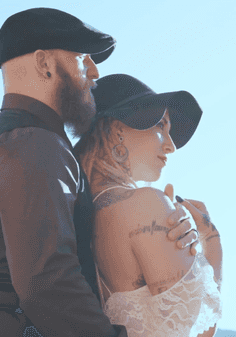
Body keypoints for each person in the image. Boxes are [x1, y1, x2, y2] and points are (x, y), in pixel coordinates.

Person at [0, 8, 200, 336]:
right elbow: (48, 285)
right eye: (83, 58)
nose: (94, 72)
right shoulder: (33, 145)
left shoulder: (11, 140)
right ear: (44, 63)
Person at [74, 74, 223, 337]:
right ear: (117, 129)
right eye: (160, 127)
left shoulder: (78, 212)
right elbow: (199, 333)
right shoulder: (146, 205)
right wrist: (211, 241)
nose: (171, 146)